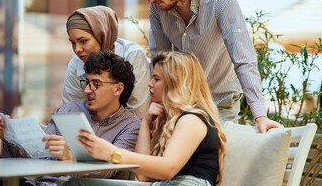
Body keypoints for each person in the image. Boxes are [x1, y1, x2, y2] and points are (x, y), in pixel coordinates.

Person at [124, 0, 282, 133]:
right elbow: (160, 62)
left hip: (220, 102)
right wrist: (158, 109)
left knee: (219, 159)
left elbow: (243, 59)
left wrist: (260, 116)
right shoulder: (158, 9)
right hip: (183, 103)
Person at [63, 51, 226, 186]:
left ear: (174, 83)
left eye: (156, 78)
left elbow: (168, 168)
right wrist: (145, 123)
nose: (149, 84)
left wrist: (113, 153)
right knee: (77, 183)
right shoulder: (171, 121)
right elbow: (143, 176)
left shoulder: (192, 119)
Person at [0, 51, 141, 186]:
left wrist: (71, 158)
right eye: (87, 82)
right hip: (37, 183)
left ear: (118, 89)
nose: (87, 90)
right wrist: (9, 137)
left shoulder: (130, 125)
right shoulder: (69, 109)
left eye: (95, 84)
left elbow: (109, 169)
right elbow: (39, 155)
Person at [63, 6, 151, 118]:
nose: (77, 49)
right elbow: (71, 111)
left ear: (102, 35)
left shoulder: (132, 55)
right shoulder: (76, 63)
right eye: (73, 43)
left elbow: (138, 112)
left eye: (83, 41)